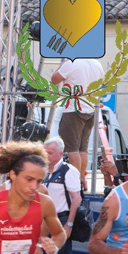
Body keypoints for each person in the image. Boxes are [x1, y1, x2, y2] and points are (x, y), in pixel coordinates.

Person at [33, 137, 82, 254]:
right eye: (45, 151)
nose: (46, 155)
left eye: (50, 152)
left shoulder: (69, 170)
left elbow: (77, 198)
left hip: (61, 219)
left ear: (60, 154)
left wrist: (69, 224)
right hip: (46, 220)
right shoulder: (43, 170)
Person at [51, 58, 104, 187]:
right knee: (82, 149)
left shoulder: (71, 63)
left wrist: (62, 65)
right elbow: (102, 82)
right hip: (91, 109)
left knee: (72, 149)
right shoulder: (96, 63)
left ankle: (75, 182)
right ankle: (81, 180)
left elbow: (54, 80)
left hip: (73, 109)